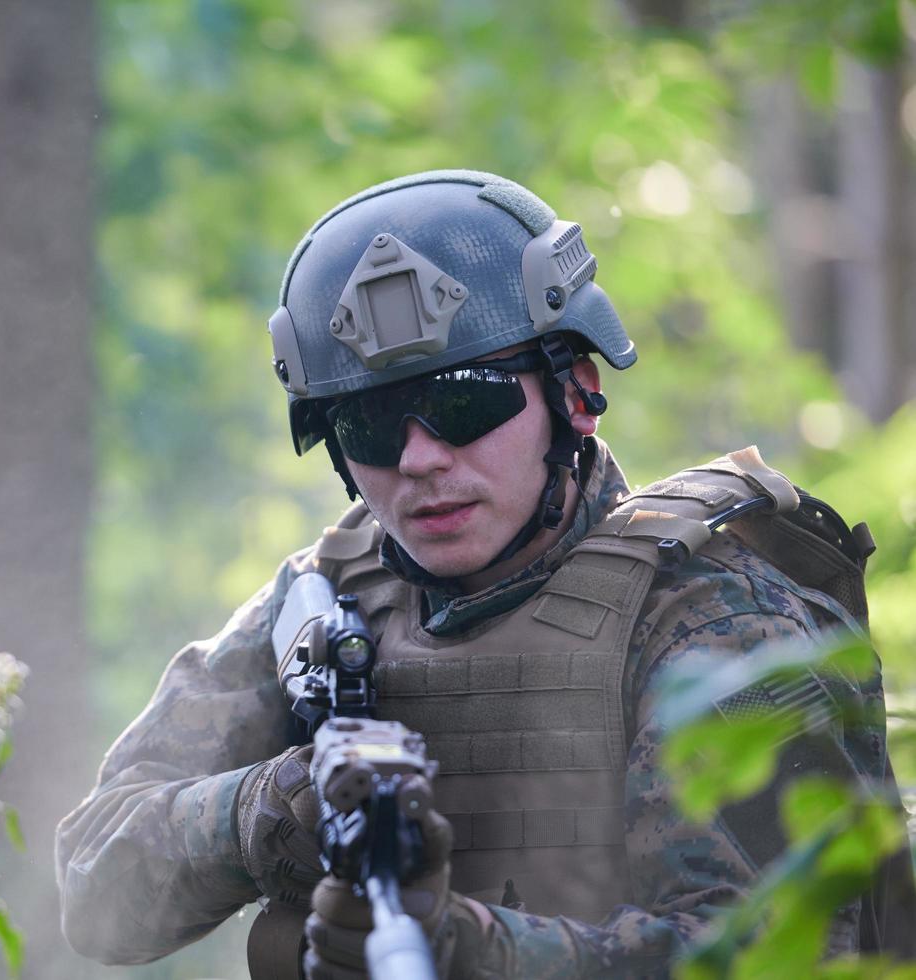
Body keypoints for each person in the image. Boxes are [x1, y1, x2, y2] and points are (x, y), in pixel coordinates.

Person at [54, 171, 913, 978]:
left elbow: (777, 958)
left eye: (466, 401)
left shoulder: (712, 620)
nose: (422, 459)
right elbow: (94, 890)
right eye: (373, 424)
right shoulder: (324, 604)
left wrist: (470, 948)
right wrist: (269, 812)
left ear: (574, 392)